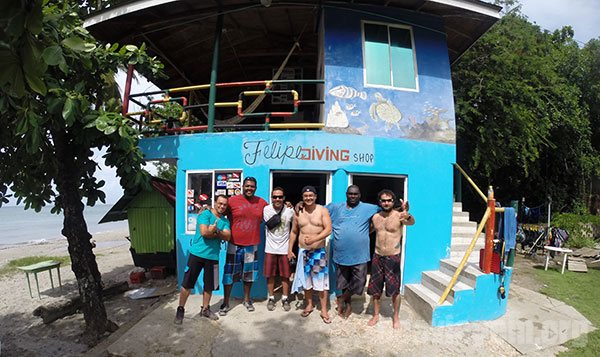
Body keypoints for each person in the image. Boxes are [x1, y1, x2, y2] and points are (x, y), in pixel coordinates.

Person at [174, 195, 231, 324]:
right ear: (215, 202)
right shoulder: (205, 214)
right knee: (187, 284)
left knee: (209, 286)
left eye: (224, 205)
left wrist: (216, 231)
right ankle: (180, 309)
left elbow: (228, 236)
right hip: (197, 255)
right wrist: (217, 233)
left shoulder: (225, 221)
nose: (222, 206)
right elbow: (204, 232)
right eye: (220, 203)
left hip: (213, 257)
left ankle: (205, 309)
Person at [326, 185, 379, 319]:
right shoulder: (336, 207)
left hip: (360, 255)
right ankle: (348, 306)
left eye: (355, 194)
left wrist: (402, 210)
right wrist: (300, 203)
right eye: (350, 194)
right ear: (346, 194)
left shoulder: (368, 208)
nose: (353, 196)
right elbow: (316, 209)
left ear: (359, 195)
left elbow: (386, 208)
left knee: (360, 282)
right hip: (341, 253)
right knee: (343, 283)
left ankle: (342, 299)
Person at [220, 177, 268, 315]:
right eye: (247, 186)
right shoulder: (232, 201)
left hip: (251, 244)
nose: (249, 188)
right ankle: (226, 302)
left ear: (256, 188)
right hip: (234, 243)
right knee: (229, 275)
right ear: (242, 186)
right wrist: (207, 209)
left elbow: (274, 211)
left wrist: (291, 204)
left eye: (252, 186)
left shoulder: (262, 202)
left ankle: (247, 300)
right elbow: (220, 211)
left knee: (249, 275)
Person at [367, 189, 415, 329]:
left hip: (393, 257)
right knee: (376, 290)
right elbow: (366, 231)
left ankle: (395, 317)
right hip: (377, 256)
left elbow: (411, 222)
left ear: (393, 202)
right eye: (383, 200)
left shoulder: (400, 215)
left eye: (389, 200)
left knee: (394, 290)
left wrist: (407, 214)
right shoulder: (375, 217)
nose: (386, 203)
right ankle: (376, 315)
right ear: (380, 202)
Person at [289, 186, 333, 324]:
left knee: (321, 283)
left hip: (318, 252)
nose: (308, 198)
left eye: (311, 196)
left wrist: (314, 239)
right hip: (303, 252)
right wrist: (289, 249)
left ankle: (324, 309)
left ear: (315, 196)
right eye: (306, 196)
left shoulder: (322, 210)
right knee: (306, 281)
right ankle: (309, 305)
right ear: (302, 197)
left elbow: (328, 229)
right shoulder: (298, 212)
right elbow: (294, 232)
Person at [263, 187, 294, 311]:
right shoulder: (266, 209)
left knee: (285, 275)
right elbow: (270, 223)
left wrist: (297, 205)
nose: (277, 199)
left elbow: (295, 228)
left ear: (284, 198)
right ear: (271, 198)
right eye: (275, 197)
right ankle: (271, 297)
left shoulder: (290, 211)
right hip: (270, 248)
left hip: (284, 248)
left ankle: (285, 298)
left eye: (280, 197)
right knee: (270, 275)